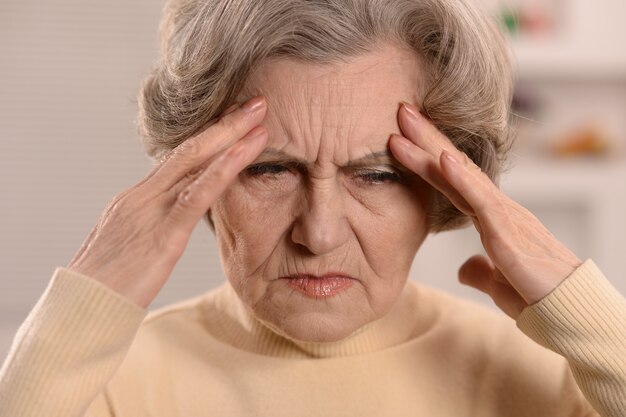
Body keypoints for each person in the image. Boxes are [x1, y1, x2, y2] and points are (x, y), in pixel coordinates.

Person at [0, 0, 624, 415]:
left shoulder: (550, 381)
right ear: (194, 179)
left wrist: (596, 323)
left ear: (445, 191)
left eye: (376, 175)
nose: (318, 234)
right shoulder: (99, 386)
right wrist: (77, 313)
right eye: (269, 169)